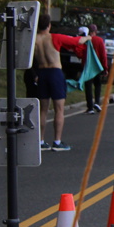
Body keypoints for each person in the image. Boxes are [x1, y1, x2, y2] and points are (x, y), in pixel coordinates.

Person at [34, 14, 89, 151]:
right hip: (55, 73)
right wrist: (88, 37)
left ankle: (40, 141)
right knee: (59, 109)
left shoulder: (34, 40)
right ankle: (57, 141)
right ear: (49, 25)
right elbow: (77, 41)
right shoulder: (55, 37)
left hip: (42, 73)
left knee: (43, 110)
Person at [79, 24, 108, 114]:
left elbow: (80, 53)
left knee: (88, 86)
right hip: (97, 66)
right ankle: (97, 102)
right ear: (95, 32)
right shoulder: (99, 40)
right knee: (98, 84)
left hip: (88, 66)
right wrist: (105, 68)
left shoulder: (85, 40)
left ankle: (90, 107)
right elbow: (103, 55)